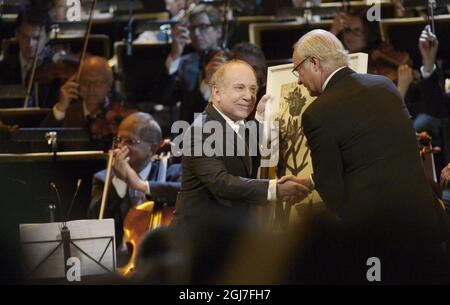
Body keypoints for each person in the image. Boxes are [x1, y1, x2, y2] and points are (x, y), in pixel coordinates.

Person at [287, 29, 448, 282]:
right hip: (425, 228)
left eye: (298, 70)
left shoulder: (317, 113)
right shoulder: (383, 85)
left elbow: (333, 189)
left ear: (314, 62)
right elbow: (383, 153)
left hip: (378, 243)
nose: (298, 80)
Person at [170, 60, 312, 243]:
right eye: (240, 88)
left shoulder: (237, 125)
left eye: (253, 89)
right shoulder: (201, 131)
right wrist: (275, 188)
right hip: (196, 245)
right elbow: (221, 182)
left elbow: (248, 162)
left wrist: (261, 116)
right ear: (216, 92)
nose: (249, 96)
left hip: (226, 241)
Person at [88, 112, 181, 247]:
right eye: (119, 140)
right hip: (117, 262)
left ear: (152, 148)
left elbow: (190, 195)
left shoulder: (172, 173)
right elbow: (94, 222)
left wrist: (141, 185)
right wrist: (119, 180)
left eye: (130, 141)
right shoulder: (103, 178)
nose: (120, 147)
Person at [158, 4, 223, 124]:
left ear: (218, 31)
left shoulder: (231, 62)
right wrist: (174, 55)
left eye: (203, 27)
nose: (196, 33)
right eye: (192, 28)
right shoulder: (184, 63)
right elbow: (164, 98)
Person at [40, 56, 123, 149]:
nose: (91, 88)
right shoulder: (68, 113)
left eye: (98, 82)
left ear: (109, 84)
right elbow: (39, 147)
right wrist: (60, 108)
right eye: (86, 82)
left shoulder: (121, 114)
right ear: (78, 83)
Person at [0, 6, 60, 108]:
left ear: (47, 37)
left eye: (36, 38)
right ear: (16, 34)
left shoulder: (57, 71)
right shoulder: (2, 68)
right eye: (25, 37)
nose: (30, 44)